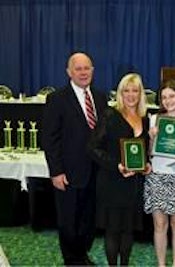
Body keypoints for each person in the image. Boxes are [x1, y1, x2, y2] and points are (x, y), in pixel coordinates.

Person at [42, 52, 108, 265]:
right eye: (78, 69)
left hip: (95, 172)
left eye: (86, 68)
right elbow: (49, 139)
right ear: (69, 72)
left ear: (93, 71)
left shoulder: (100, 97)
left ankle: (82, 255)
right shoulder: (57, 99)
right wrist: (56, 171)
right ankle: (72, 260)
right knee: (68, 219)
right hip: (68, 173)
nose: (83, 72)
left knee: (88, 219)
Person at [87, 73, 151, 266]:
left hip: (134, 184)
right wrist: (117, 166)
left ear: (141, 94)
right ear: (120, 93)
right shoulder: (110, 115)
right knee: (113, 230)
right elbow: (92, 148)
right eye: (126, 90)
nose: (131, 95)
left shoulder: (145, 119)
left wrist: (146, 165)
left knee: (128, 230)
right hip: (112, 182)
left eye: (135, 90)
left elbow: (143, 151)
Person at [144, 80, 175, 267]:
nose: (168, 101)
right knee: (159, 225)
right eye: (164, 97)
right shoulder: (154, 119)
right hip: (157, 174)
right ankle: (161, 264)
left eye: (172, 96)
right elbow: (149, 153)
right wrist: (151, 138)